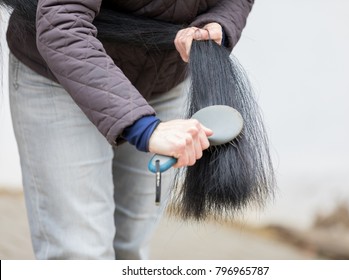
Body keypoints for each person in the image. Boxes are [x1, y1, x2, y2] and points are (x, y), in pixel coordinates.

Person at [5, 0, 255, 259]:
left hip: (164, 79)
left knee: (131, 249)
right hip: (62, 74)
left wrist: (219, 23)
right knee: (81, 253)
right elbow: (63, 22)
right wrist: (144, 128)